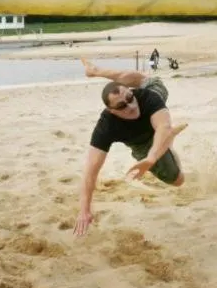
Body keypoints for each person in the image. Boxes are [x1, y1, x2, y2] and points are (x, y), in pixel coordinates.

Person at [74, 58, 187, 236]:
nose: (131, 106)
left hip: (158, 124)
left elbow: (163, 126)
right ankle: (167, 143)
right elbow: (91, 170)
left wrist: (151, 158)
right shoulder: (106, 126)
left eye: (129, 97)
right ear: (112, 111)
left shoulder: (147, 97)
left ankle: (96, 71)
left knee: (149, 82)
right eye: (121, 106)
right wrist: (84, 210)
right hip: (142, 142)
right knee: (178, 180)